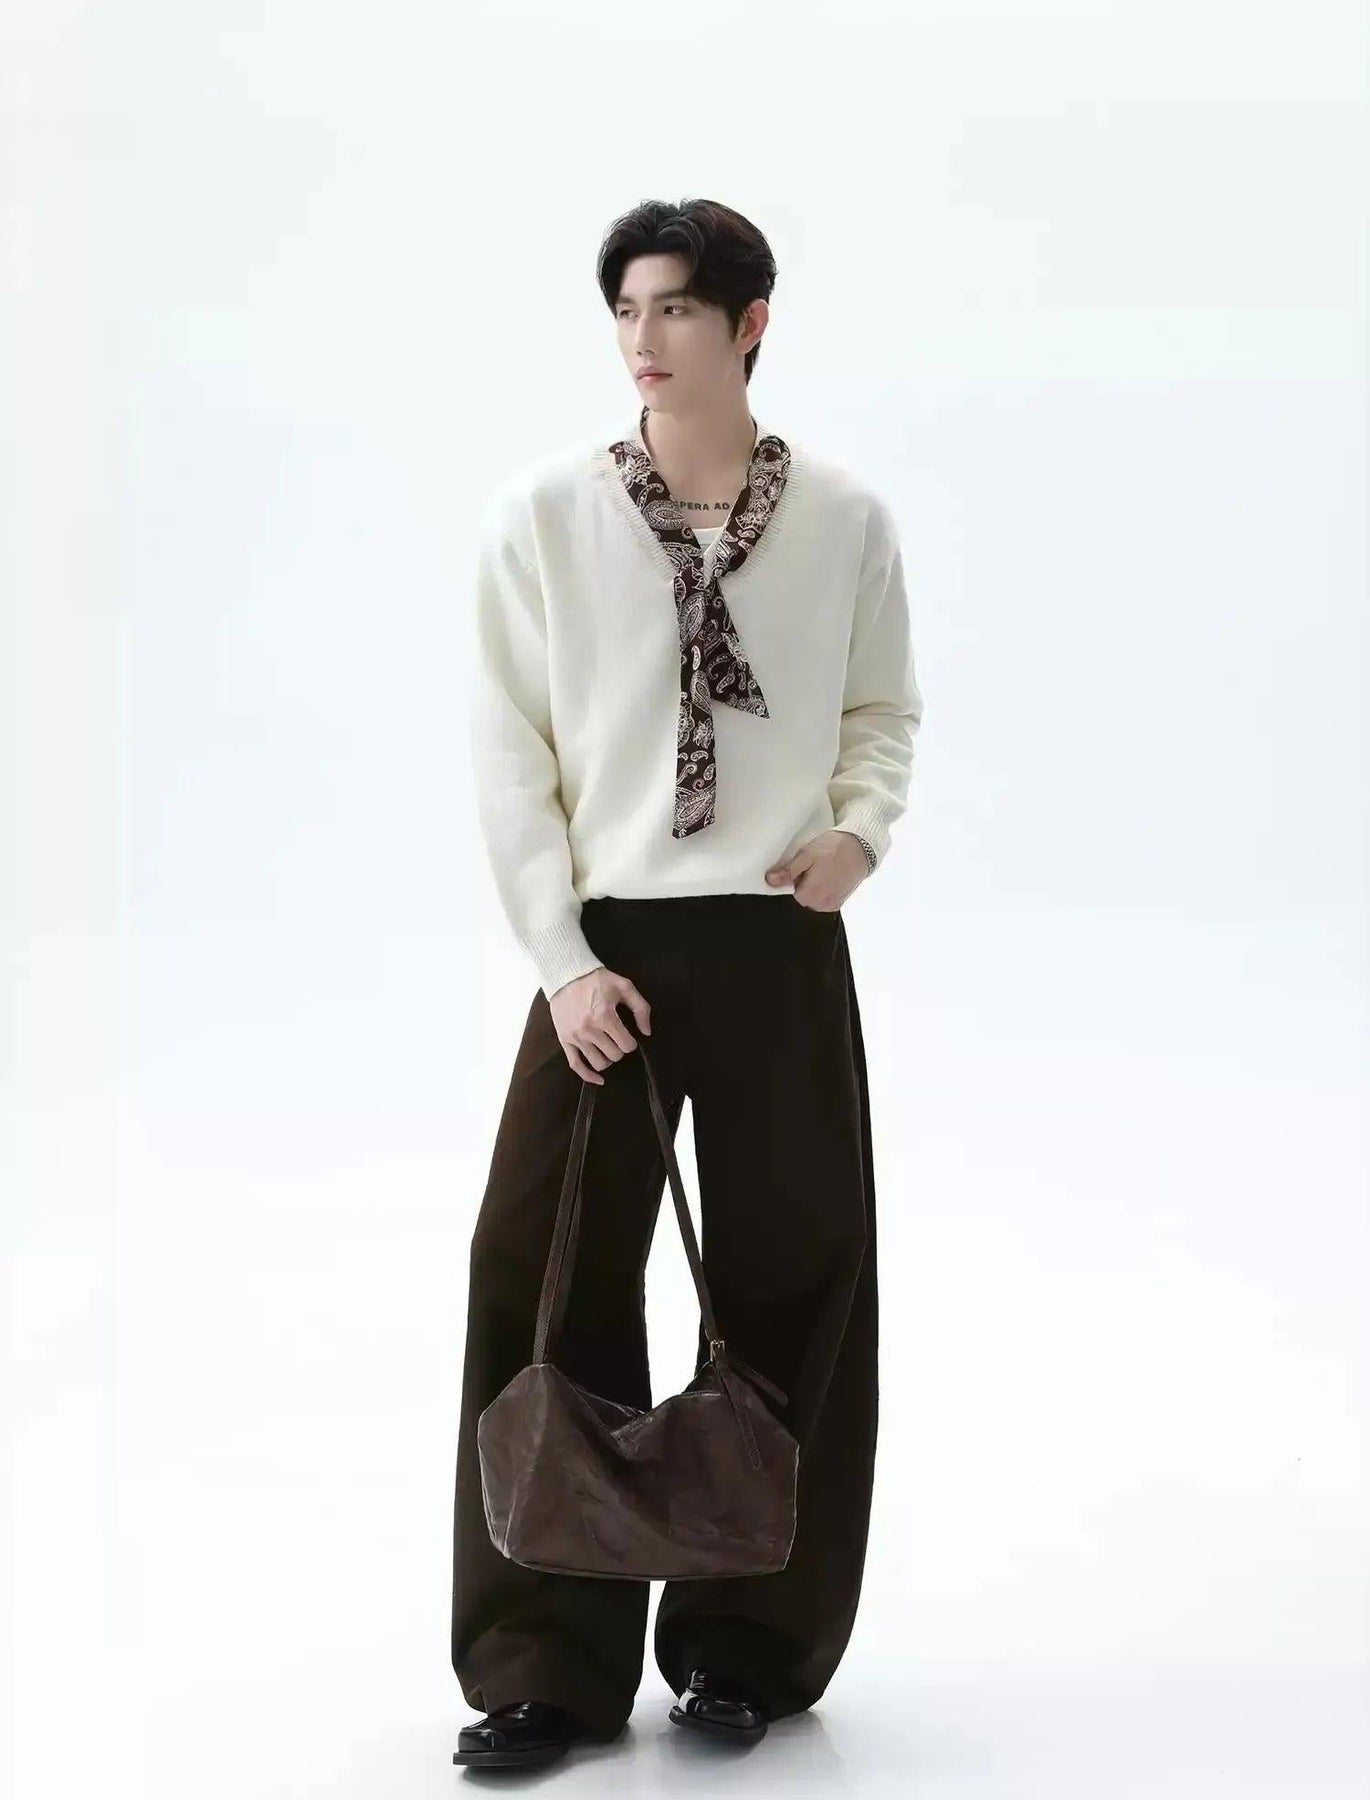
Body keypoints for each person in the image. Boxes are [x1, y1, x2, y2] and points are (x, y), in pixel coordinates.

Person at [451, 197, 924, 1771]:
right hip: (610, 949)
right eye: (624, 311)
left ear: (748, 323)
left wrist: (855, 836)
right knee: (544, 1281)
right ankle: (544, 1662)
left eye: (670, 309)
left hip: (778, 936)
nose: (641, 340)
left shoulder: (842, 517)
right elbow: (509, 752)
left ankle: (749, 1647)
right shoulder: (544, 515)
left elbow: (881, 710)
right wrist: (562, 963)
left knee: (794, 1280)